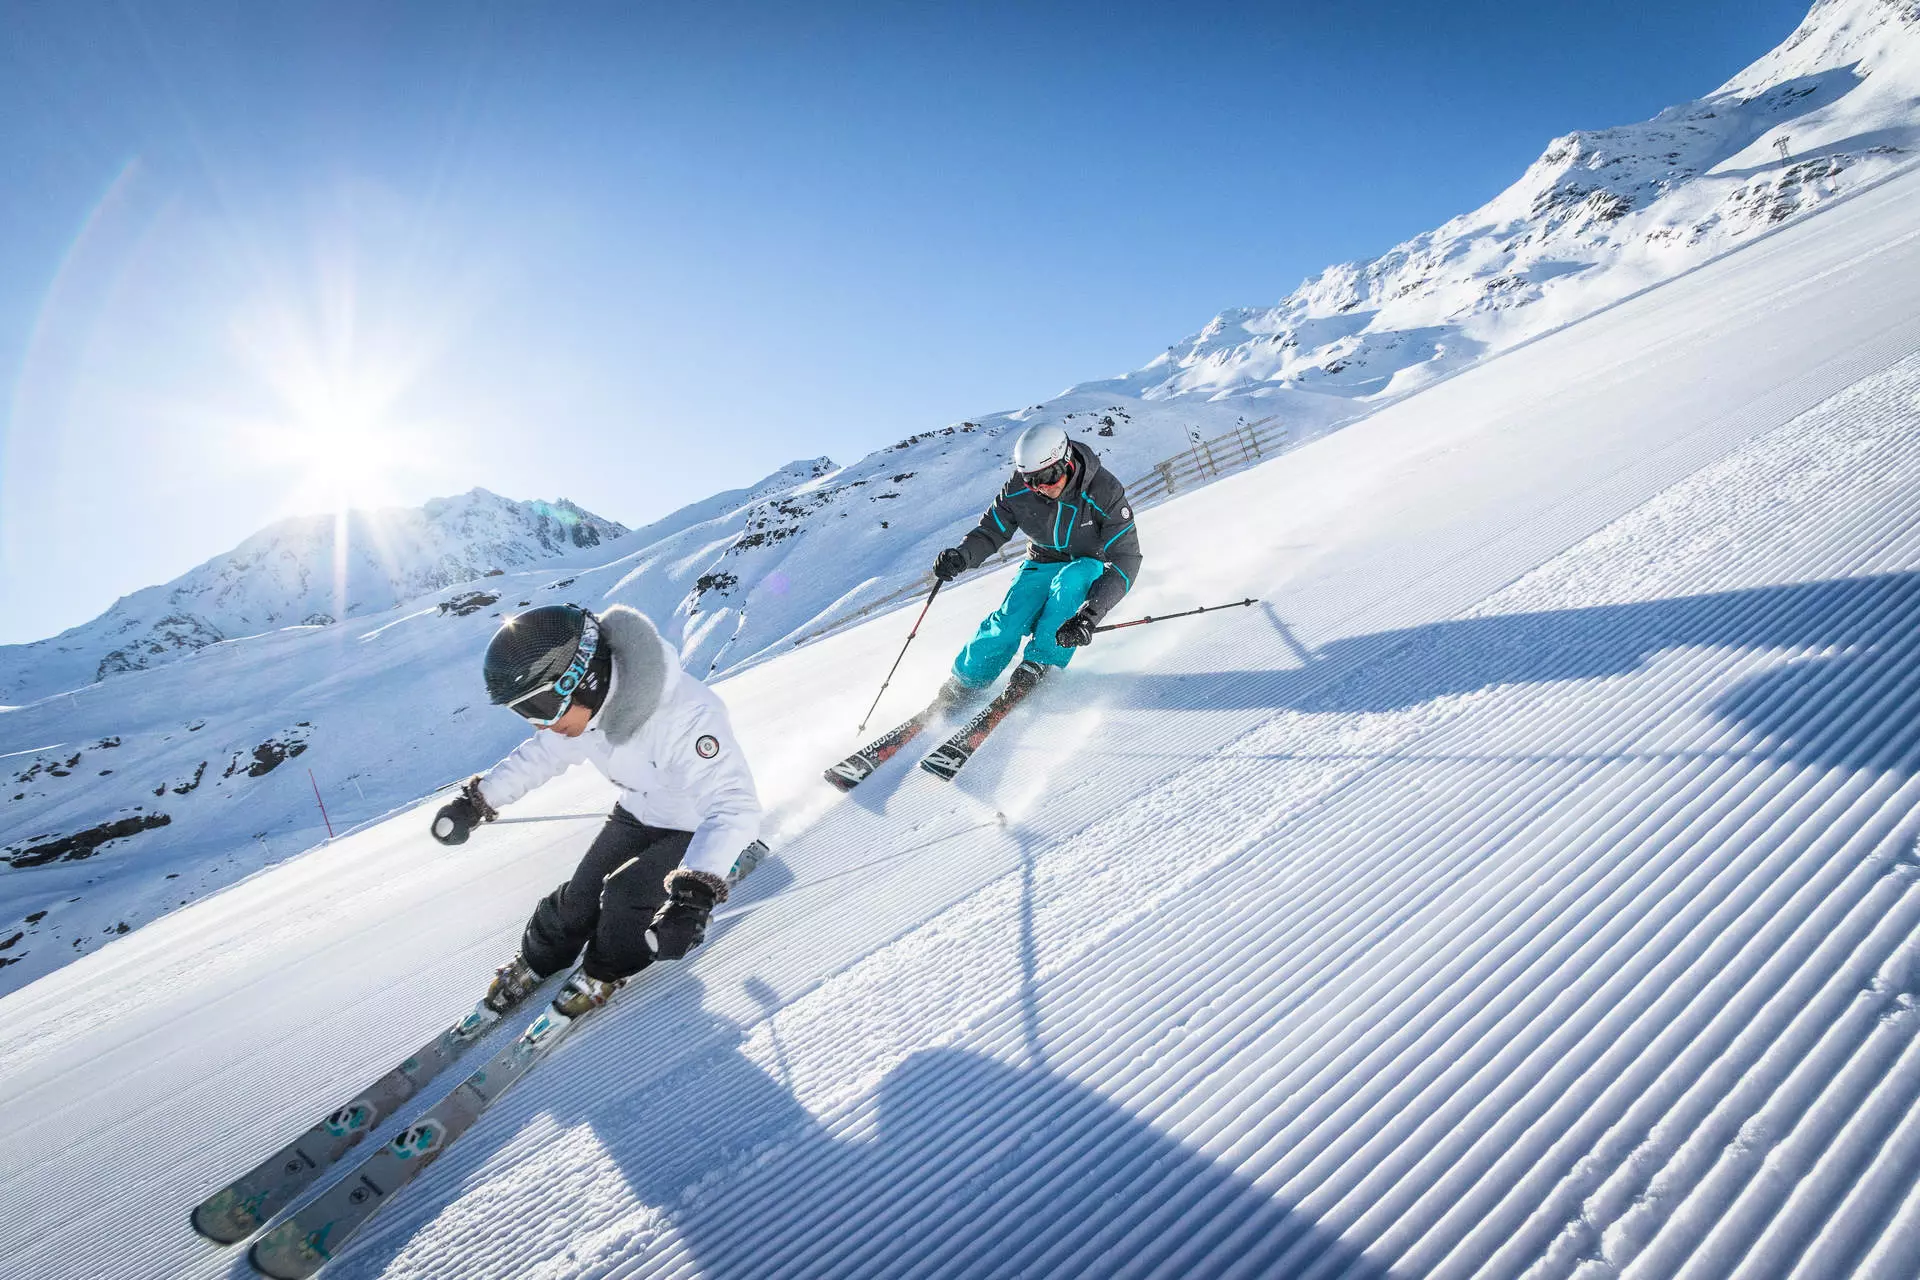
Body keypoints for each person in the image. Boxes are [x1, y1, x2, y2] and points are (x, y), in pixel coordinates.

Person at [429, 603, 762, 1019]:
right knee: (579, 895)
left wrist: (693, 894)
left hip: (694, 826)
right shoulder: (583, 713)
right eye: (525, 712)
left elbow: (734, 804)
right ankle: (538, 960)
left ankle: (606, 969)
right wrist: (479, 801)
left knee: (624, 898)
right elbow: (540, 757)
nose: (539, 723)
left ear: (584, 680)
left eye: (542, 706)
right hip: (636, 812)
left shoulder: (685, 715)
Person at [930, 422, 1144, 702]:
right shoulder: (1019, 490)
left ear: (1066, 461)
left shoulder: (1103, 491)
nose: (1041, 487)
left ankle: (1042, 659)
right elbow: (991, 530)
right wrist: (962, 556)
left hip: (1087, 561)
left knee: (1070, 582)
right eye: (1032, 480)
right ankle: (967, 681)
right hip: (1041, 559)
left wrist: (1089, 615)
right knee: (1010, 618)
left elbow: (1126, 558)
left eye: (1049, 475)